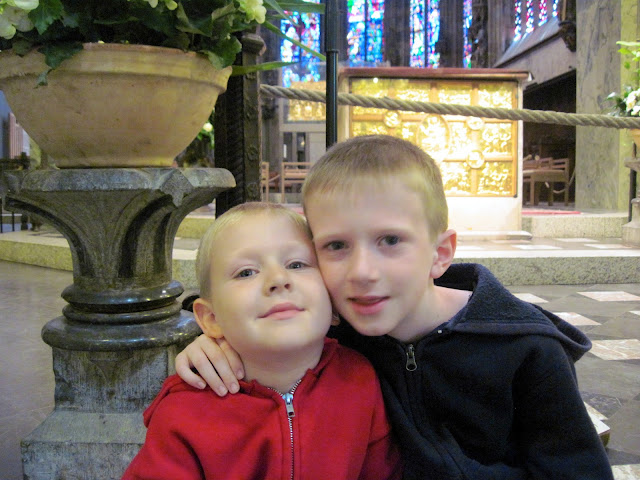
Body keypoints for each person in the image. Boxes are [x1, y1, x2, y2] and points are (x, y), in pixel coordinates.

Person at [175, 135, 614, 480]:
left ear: (440, 253)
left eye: (390, 240)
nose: (363, 272)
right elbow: (249, 320)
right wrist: (208, 342)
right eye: (336, 246)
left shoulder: (527, 349)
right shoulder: (333, 333)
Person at [122, 202, 402, 480]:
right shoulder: (183, 411)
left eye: (297, 264)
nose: (278, 279)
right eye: (246, 272)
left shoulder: (361, 380)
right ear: (211, 318)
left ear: (332, 299)